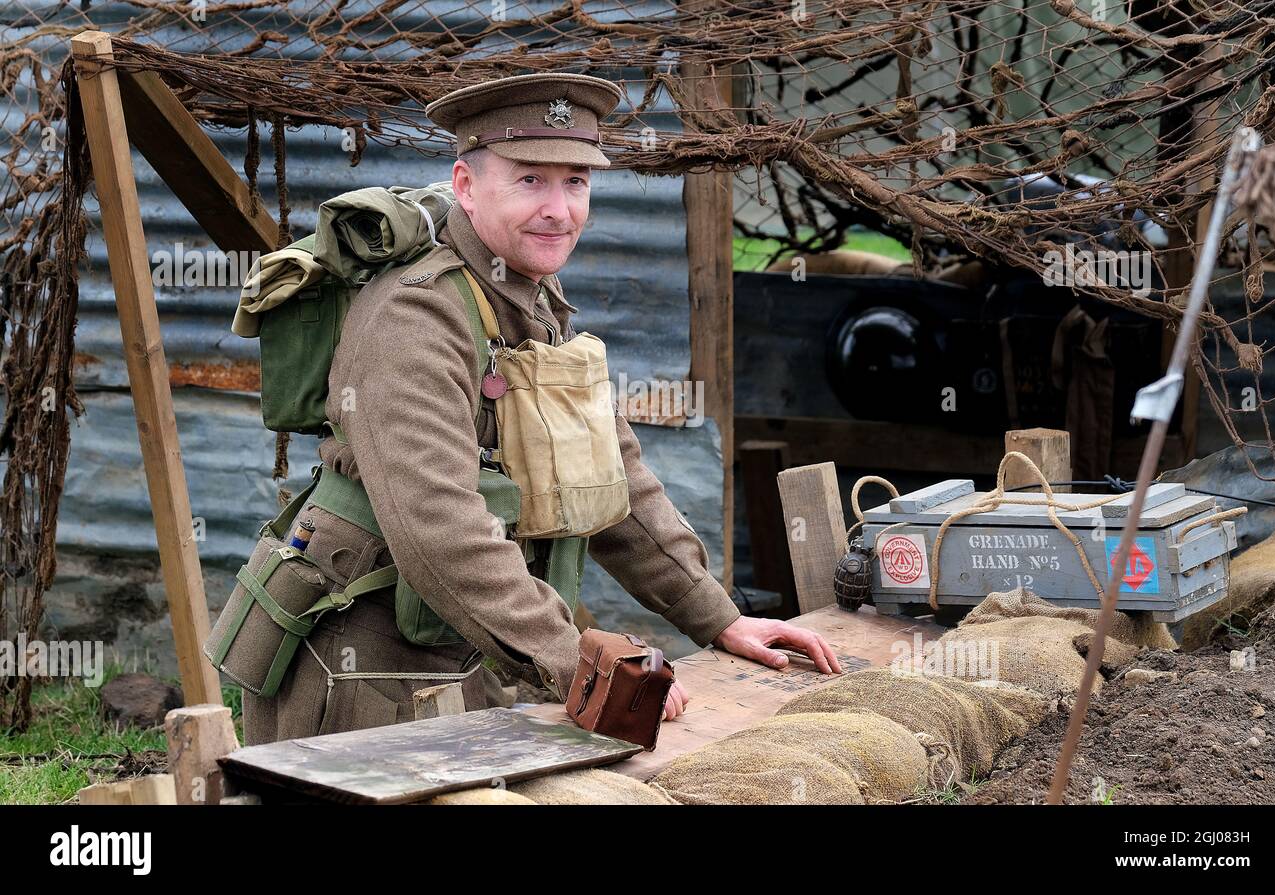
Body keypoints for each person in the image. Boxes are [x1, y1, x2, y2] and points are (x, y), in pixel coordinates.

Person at [241, 72, 840, 746]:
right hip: (364, 669)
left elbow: (611, 482)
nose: (560, 209)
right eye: (531, 180)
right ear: (467, 186)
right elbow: (439, 528)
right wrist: (577, 664)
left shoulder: (532, 296)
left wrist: (718, 617)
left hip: (461, 645)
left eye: (576, 182)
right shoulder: (414, 317)